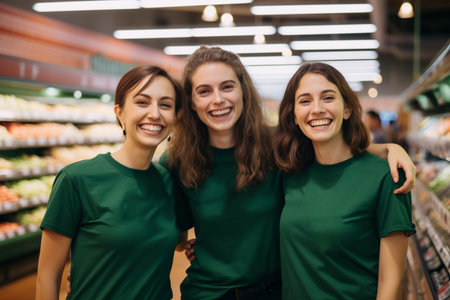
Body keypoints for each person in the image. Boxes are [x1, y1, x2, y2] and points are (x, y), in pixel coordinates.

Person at [161, 46, 416, 300]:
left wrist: (389, 148)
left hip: (271, 291)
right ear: (191, 102)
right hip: (207, 293)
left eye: (227, 86)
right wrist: (206, 245)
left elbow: (331, 143)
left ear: (243, 91)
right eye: (204, 91)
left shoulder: (274, 149)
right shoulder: (178, 159)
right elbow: (174, 233)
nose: (217, 99)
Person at [36, 65, 185, 300]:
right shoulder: (77, 180)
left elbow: (178, 241)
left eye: (165, 105)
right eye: (142, 102)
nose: (155, 114)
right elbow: (47, 277)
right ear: (120, 113)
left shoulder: (171, 182)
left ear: (176, 118)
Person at [273, 62, 415, 299]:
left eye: (328, 98)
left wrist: (393, 148)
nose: (316, 109)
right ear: (294, 116)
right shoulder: (289, 173)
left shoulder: (386, 176)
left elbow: (390, 279)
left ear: (347, 108)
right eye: (305, 101)